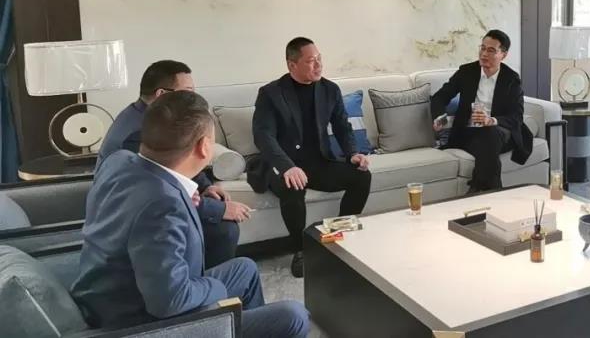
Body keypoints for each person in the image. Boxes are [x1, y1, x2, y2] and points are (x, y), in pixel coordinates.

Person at [71, 91, 309, 337]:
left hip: (108, 292)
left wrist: (183, 195)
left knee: (245, 270)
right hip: (138, 322)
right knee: (294, 316)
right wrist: (215, 287)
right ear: (204, 147)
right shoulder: (162, 204)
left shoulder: (119, 161)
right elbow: (170, 302)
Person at [95, 60, 247, 268]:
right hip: (132, 215)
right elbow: (157, 193)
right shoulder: (138, 132)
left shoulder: (150, 117)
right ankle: (206, 283)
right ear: (162, 94)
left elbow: (178, 159)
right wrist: (218, 210)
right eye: (188, 91)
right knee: (223, 229)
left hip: (151, 200)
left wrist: (205, 186)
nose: (193, 98)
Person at [252, 37, 372, 278]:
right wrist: (287, 166)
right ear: (292, 65)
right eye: (310, 61)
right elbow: (263, 136)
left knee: (361, 176)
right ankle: (301, 250)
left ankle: (337, 236)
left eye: (319, 59)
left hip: (318, 162)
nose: (318, 65)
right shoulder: (271, 93)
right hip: (283, 165)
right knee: (293, 185)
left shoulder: (329, 89)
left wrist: (353, 154)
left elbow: (342, 127)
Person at [431, 30, 533, 192]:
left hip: (499, 131)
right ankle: (488, 193)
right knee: (487, 149)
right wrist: (440, 117)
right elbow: (440, 97)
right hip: (468, 132)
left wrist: (490, 120)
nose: (484, 54)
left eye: (491, 50)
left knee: (489, 134)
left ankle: (477, 190)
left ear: (503, 55)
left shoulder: (511, 79)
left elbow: (516, 117)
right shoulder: (467, 72)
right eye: (482, 48)